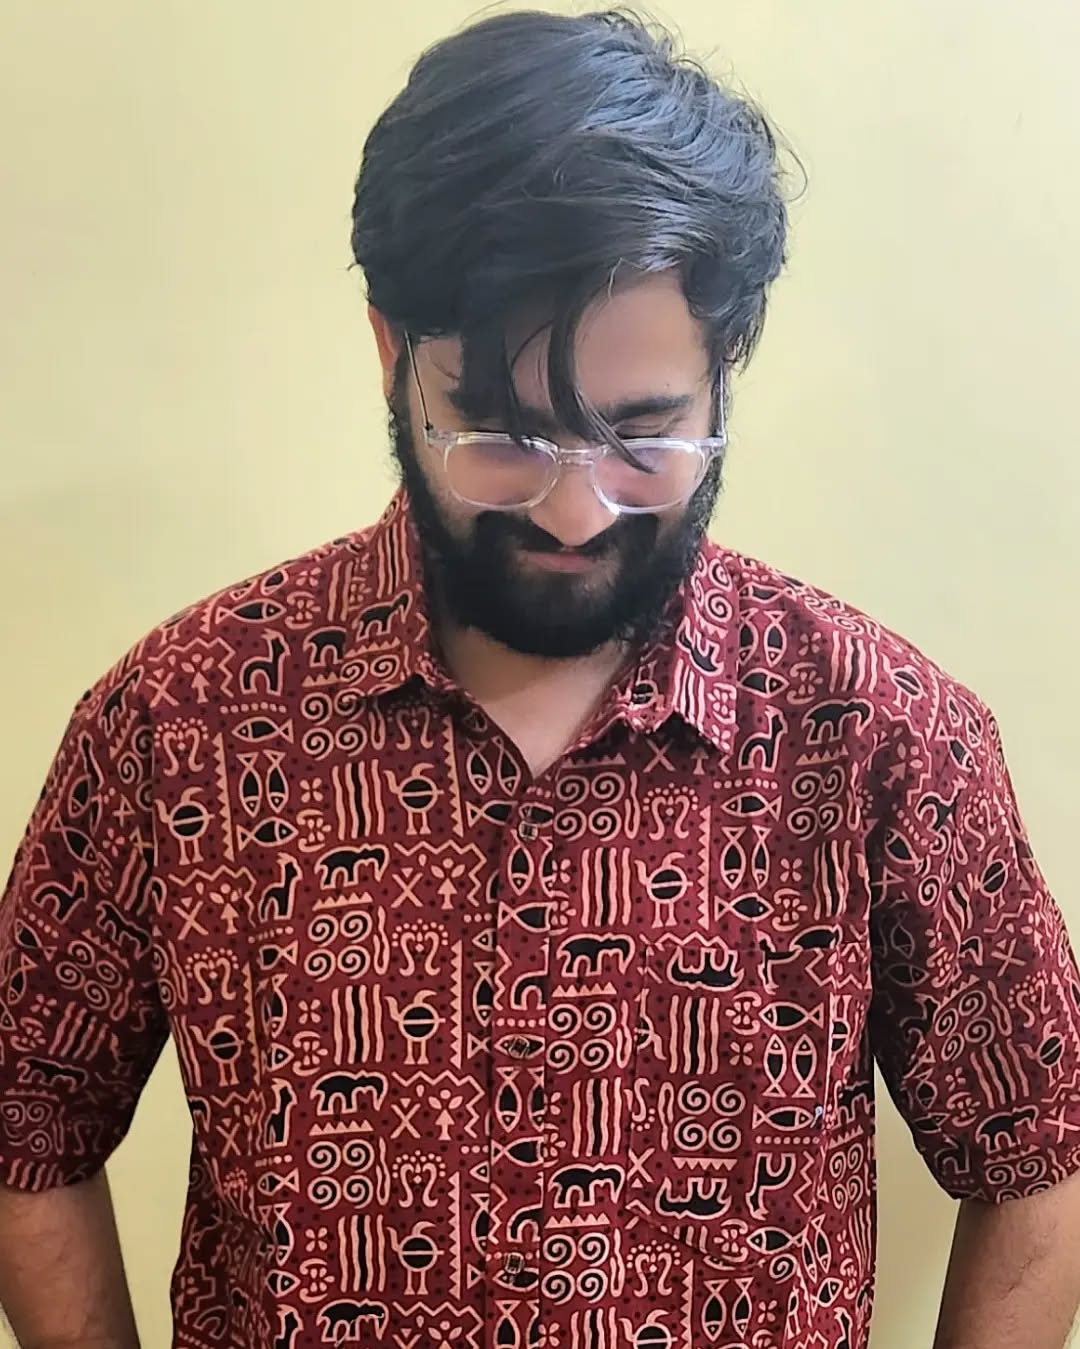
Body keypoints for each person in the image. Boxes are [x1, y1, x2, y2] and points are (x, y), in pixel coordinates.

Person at [1, 9, 1078, 1349]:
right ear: (393, 351)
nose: (576, 512)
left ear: (724, 369)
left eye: (644, 435)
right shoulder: (182, 721)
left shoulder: (881, 733)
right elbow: (27, 1117)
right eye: (501, 433)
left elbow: (1040, 1150)